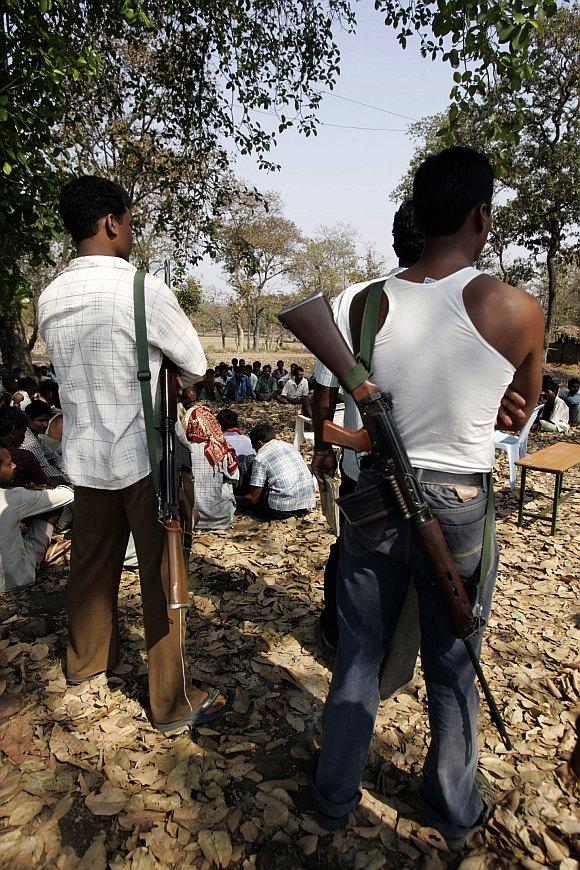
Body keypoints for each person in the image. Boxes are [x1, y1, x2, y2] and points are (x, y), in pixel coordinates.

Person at [309, 146, 544, 851]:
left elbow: (337, 393)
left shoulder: (358, 303)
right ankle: (452, 803)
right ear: (481, 216)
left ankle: (333, 795)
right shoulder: (516, 308)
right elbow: (519, 413)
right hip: (462, 505)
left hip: (373, 498)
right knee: (451, 668)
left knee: (357, 654)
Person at [38, 174, 229, 731]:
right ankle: (171, 702)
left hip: (85, 457)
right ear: (111, 222)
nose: (131, 231)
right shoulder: (142, 290)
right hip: (145, 460)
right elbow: (194, 363)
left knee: (90, 568)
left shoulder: (51, 297)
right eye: (129, 220)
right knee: (164, 576)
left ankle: (86, 664)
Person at [313, 199, 425, 654]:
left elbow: (322, 385)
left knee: (356, 557)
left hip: (364, 474)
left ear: (394, 240)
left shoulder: (357, 300)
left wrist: (323, 442)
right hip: (432, 478)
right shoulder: (470, 301)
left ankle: (345, 638)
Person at [0, 447, 74, 592]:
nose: (14, 466)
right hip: (16, 579)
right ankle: (39, 557)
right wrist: (46, 489)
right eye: (9, 464)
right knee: (53, 507)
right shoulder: (13, 497)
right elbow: (66, 495)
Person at [179, 395, 239, 530]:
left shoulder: (182, 449)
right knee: (228, 483)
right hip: (221, 518)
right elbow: (235, 477)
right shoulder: (220, 447)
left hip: (192, 518)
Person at [236, 422, 316, 519]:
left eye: (254, 446)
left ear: (260, 443)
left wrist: (235, 499)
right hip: (305, 504)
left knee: (249, 461)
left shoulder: (260, 457)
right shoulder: (289, 446)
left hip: (281, 509)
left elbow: (253, 498)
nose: (254, 449)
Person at [0, 407, 51, 488]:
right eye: (23, 432)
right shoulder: (25, 457)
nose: (24, 438)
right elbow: (46, 486)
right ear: (13, 430)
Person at [23, 400, 69, 484]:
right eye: (41, 421)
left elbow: (54, 456)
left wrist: (68, 474)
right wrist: (67, 479)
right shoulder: (30, 441)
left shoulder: (35, 436)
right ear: (28, 419)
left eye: (47, 421)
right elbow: (46, 470)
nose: (45, 424)